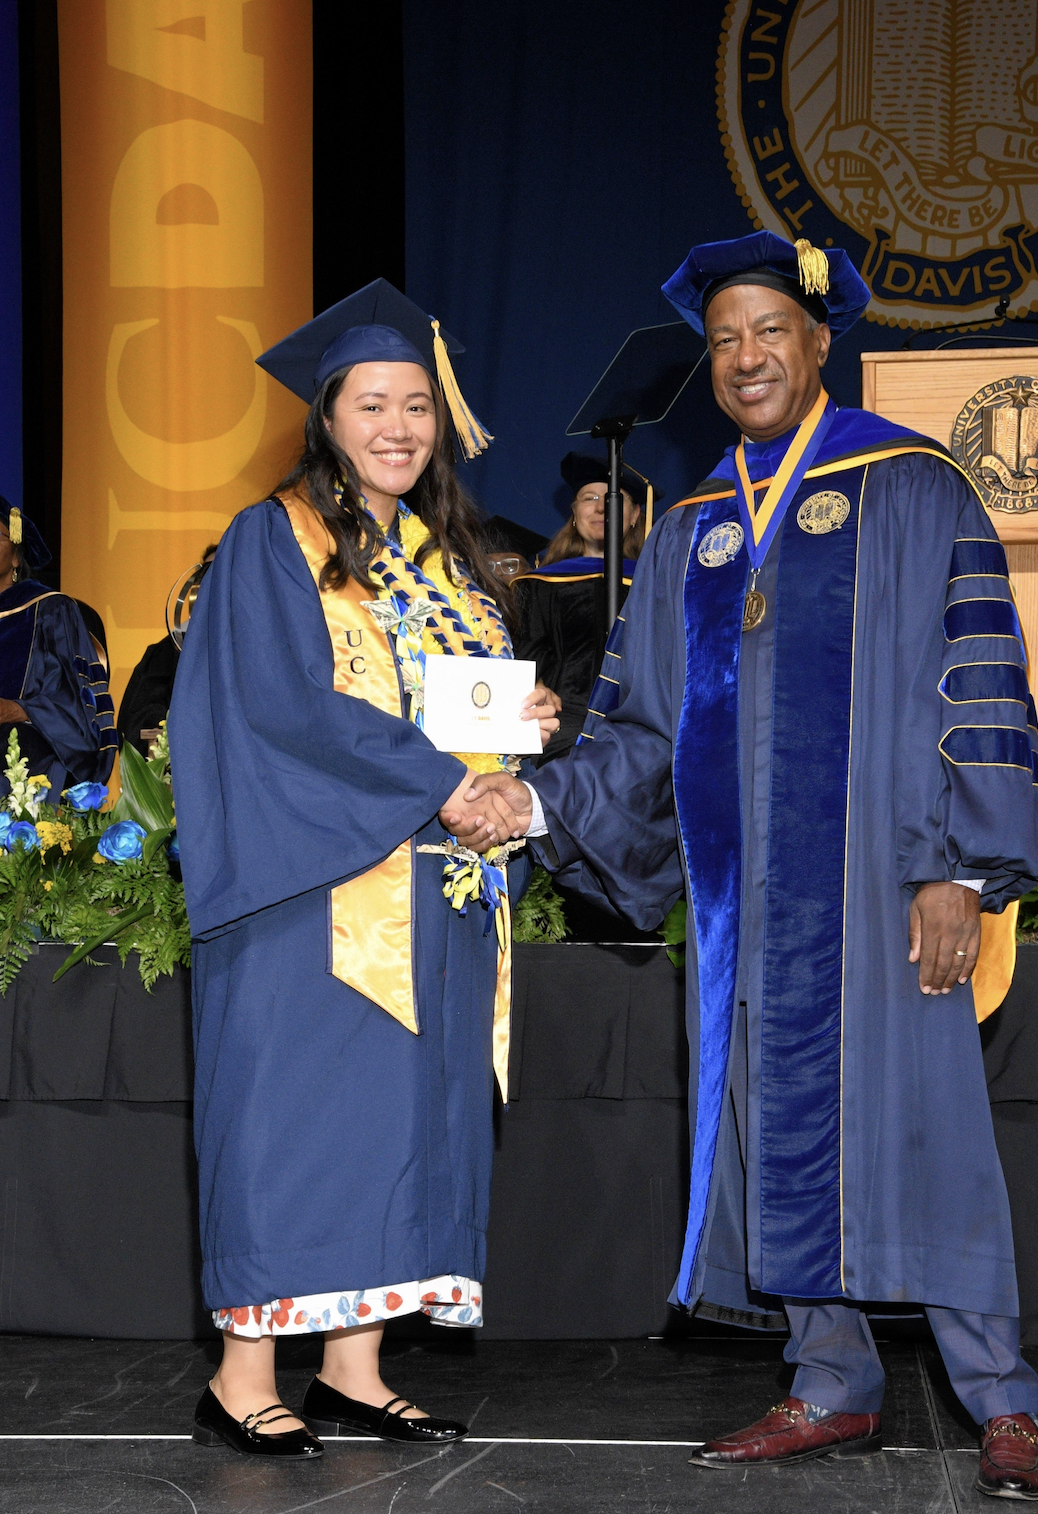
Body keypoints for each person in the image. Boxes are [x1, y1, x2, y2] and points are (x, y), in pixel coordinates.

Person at [447, 232, 1038, 1501]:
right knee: (776, 1132)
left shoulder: (914, 487)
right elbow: (641, 732)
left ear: (819, 342)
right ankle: (830, 1378)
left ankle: (1001, 1398)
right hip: (748, 907)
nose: (744, 357)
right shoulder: (690, 533)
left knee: (929, 1132)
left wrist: (961, 865)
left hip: (891, 883)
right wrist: (536, 796)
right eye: (724, 338)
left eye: (767, 331)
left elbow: (980, 683)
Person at [168, 278, 559, 1461]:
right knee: (293, 1121)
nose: (399, 427)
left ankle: (354, 1364)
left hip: (433, 888)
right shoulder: (271, 540)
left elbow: (448, 705)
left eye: (418, 407)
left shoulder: (448, 561)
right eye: (372, 404)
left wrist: (517, 731)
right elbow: (288, 706)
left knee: (405, 1126)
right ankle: (244, 1376)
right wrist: (446, 779)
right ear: (327, 417)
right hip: (312, 890)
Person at [511, 452, 651, 761]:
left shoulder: (656, 583)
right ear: (574, 513)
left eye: (614, 498)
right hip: (564, 729)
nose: (601, 507)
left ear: (635, 515)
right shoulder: (540, 584)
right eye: (589, 498)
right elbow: (524, 662)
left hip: (640, 730)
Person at [0, 497, 118, 801]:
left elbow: (78, 706)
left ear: (15, 556)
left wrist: (20, 710)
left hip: (26, 766)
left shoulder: (49, 611)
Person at [118, 544, 216, 755]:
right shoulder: (166, 653)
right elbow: (140, 717)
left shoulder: (259, 652)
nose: (210, 582)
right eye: (204, 574)